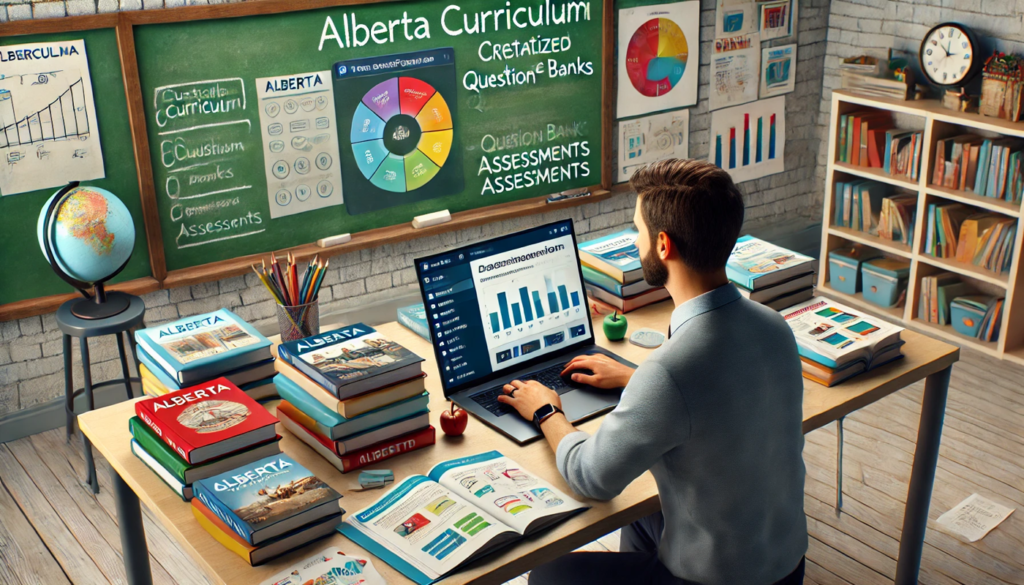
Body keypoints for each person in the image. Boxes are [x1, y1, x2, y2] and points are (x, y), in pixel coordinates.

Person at [497, 159, 807, 585]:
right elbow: (717, 391)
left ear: (663, 245)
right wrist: (634, 378)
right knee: (642, 521)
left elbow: (591, 477)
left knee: (549, 574)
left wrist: (547, 412)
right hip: (787, 568)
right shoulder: (773, 327)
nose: (635, 240)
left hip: (716, 581)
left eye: (636, 231)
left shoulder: (670, 371)